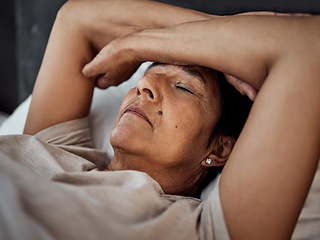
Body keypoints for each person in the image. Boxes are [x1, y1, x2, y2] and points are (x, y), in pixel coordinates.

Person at [0, 0, 318, 239]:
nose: (144, 85)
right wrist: (219, 34)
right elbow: (75, 18)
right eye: (147, 73)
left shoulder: (204, 229)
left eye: (183, 87)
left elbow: (309, 46)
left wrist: (136, 45)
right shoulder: (61, 151)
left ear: (221, 149)